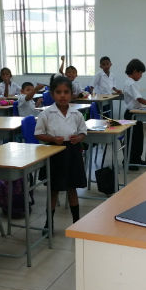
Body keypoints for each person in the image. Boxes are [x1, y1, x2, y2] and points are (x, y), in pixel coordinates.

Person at [34, 76, 87, 235]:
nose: (62, 95)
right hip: (55, 154)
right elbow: (38, 134)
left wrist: (78, 138)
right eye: (58, 92)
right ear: (52, 93)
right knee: (54, 189)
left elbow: (83, 132)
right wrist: (51, 139)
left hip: (72, 153)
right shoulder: (47, 114)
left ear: (71, 94)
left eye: (66, 92)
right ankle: (48, 223)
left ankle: (76, 222)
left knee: (72, 188)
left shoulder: (76, 113)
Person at [123, 59, 146, 171]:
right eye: (140, 73)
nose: (141, 76)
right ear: (135, 71)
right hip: (131, 114)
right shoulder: (131, 83)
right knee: (132, 139)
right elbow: (139, 98)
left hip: (135, 113)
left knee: (138, 138)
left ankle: (137, 159)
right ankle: (130, 161)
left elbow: (139, 99)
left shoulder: (130, 82)